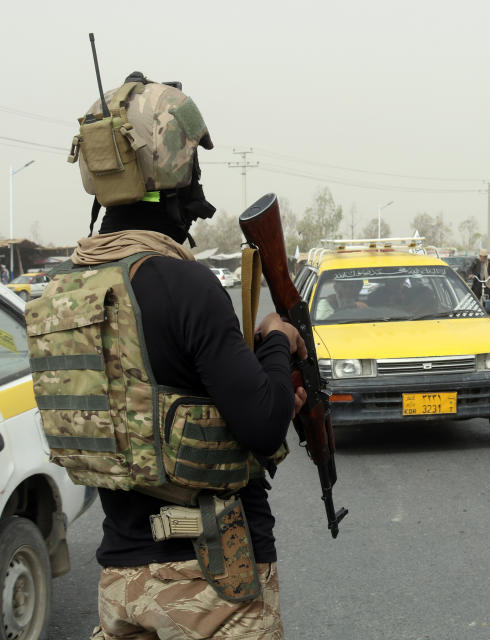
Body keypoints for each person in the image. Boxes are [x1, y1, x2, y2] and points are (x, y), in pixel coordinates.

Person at [30, 72, 305, 639]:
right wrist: (276, 342)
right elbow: (261, 421)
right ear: (176, 167)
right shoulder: (187, 285)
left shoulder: (63, 292)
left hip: (120, 584)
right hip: (213, 586)